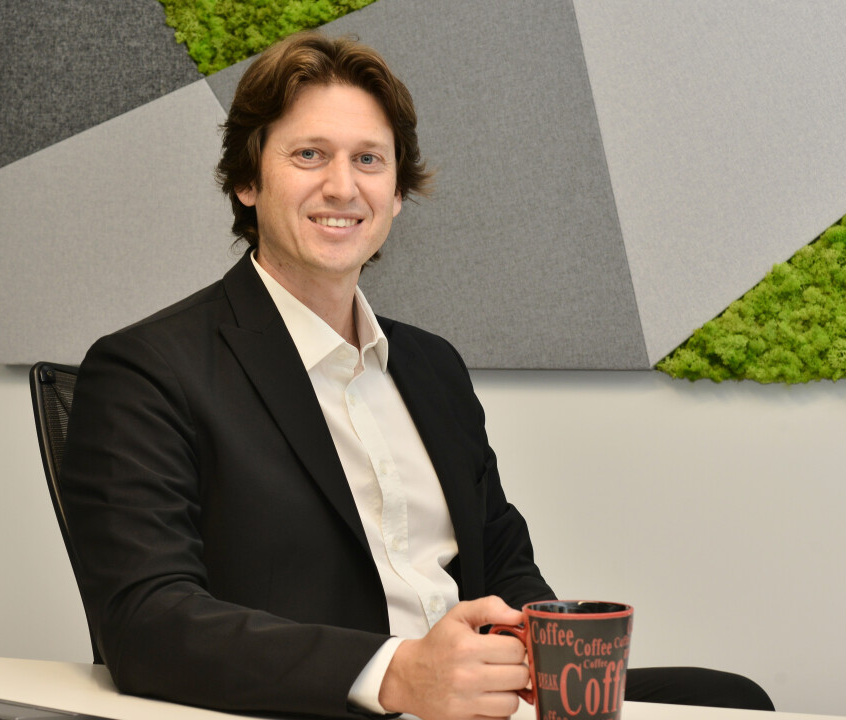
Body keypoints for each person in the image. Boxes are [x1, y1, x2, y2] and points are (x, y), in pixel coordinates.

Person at [59, 32, 773, 720]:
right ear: (248, 180)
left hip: (478, 705)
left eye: (369, 160)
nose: (343, 186)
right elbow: (144, 621)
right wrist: (397, 676)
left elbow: (501, 558)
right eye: (309, 155)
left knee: (727, 698)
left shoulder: (432, 366)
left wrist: (540, 651)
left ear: (397, 192)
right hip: (327, 708)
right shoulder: (147, 371)